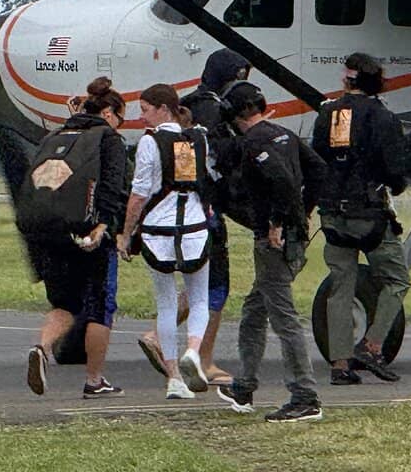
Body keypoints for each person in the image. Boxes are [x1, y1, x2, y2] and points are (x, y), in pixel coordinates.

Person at [136, 48, 251, 386]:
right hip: (203, 211)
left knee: (181, 285)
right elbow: (219, 162)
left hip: (169, 214)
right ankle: (200, 357)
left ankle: (168, 340)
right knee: (213, 287)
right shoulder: (215, 114)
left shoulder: (187, 106)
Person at [215, 81, 326, 423]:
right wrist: (303, 214)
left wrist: (278, 221)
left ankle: (305, 395)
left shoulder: (254, 144)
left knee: (283, 318)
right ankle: (245, 385)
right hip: (293, 235)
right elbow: (318, 172)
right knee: (254, 310)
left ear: (234, 114)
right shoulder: (285, 134)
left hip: (274, 240)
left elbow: (282, 182)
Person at [19, 77, 128, 398]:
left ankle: (42, 346)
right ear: (109, 112)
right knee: (100, 307)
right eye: (120, 116)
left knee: (64, 302)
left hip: (48, 230)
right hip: (88, 233)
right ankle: (95, 380)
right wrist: (105, 225)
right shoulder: (108, 140)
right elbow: (111, 186)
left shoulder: (58, 133)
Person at [312, 52, 410, 386]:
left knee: (341, 286)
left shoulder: (326, 113)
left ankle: (340, 363)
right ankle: (372, 344)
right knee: (397, 279)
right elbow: (395, 170)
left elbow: (317, 160)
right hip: (369, 215)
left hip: (332, 215)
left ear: (346, 79)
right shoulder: (382, 117)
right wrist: (396, 185)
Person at [116, 84, 213, 400]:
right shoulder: (199, 138)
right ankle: (194, 352)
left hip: (157, 230)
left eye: (145, 110)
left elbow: (139, 194)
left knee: (167, 303)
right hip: (195, 227)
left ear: (163, 109)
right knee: (199, 298)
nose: (141, 116)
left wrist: (126, 234)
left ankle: (173, 377)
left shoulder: (150, 142)